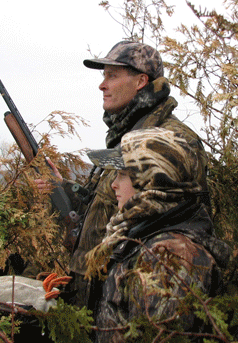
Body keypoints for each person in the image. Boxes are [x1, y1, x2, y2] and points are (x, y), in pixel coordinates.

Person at [36, 41, 210, 308]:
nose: (102, 85)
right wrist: (63, 188)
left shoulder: (169, 140)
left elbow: (169, 220)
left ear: (141, 81)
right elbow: (116, 209)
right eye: (103, 75)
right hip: (94, 296)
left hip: (132, 302)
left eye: (112, 76)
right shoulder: (127, 136)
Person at [83, 127, 229, 341]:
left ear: (152, 180)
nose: (114, 184)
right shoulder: (144, 235)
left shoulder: (169, 256)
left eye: (123, 175)